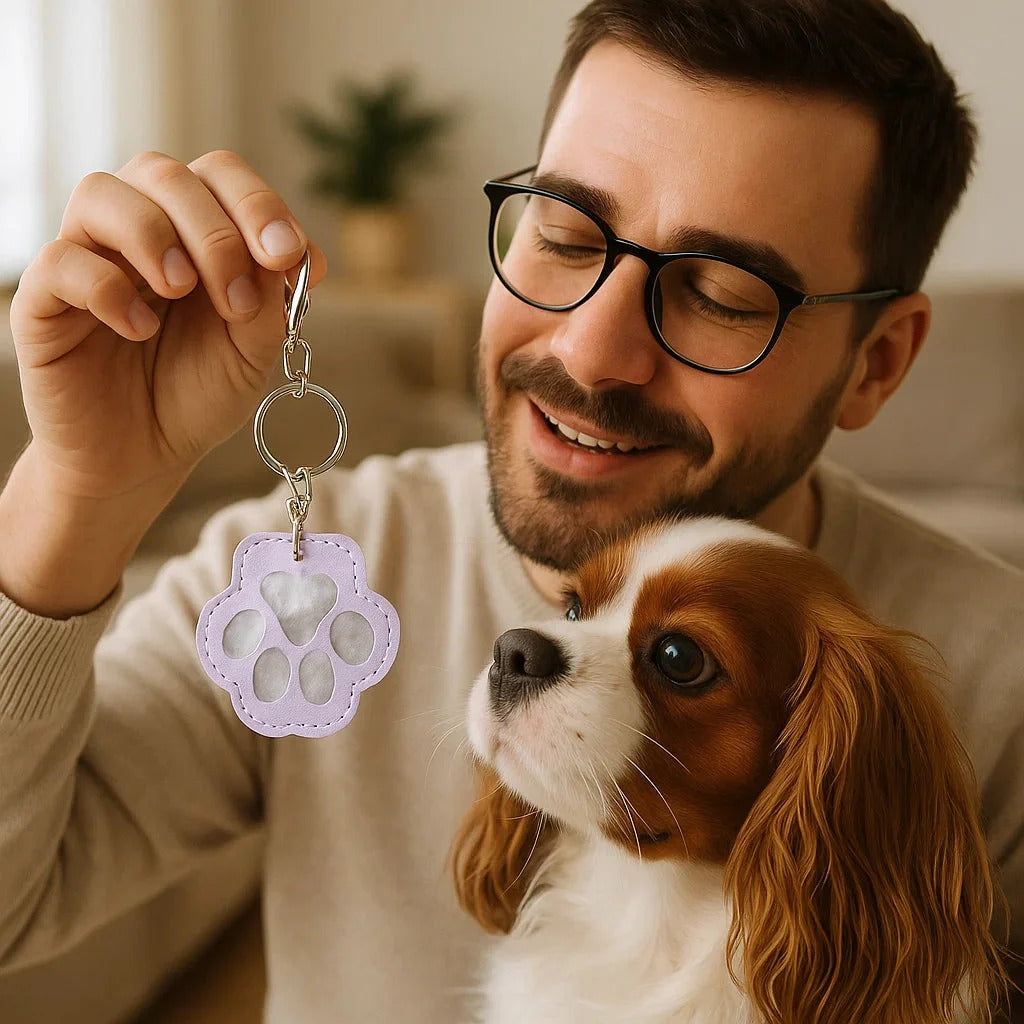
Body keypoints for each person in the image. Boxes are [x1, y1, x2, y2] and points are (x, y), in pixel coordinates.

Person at [1, 0, 1021, 1020]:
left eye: (719, 292)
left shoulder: (1000, 677)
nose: (588, 351)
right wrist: (79, 491)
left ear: (875, 363)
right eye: (567, 234)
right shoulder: (310, 572)